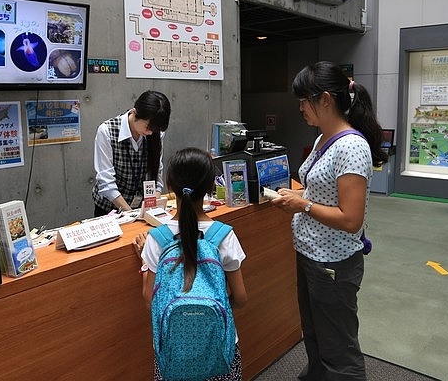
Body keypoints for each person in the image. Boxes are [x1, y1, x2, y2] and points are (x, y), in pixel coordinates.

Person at [270, 61, 388, 381]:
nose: (300, 109)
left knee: (339, 346)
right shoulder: (325, 138)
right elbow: (318, 189)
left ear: (324, 99)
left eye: (303, 101)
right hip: (312, 253)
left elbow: (351, 219)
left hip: (333, 261)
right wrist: (296, 195)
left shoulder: (351, 146)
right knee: (315, 331)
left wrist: (303, 204)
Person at [133, 147, 248, 381]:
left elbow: (149, 299)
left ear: (170, 187)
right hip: (219, 347)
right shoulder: (224, 235)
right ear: (209, 188)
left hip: (173, 351)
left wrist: (144, 264)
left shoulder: (156, 239)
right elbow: (241, 298)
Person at [92, 90, 171, 217]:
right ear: (135, 113)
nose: (151, 133)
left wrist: (151, 210)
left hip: (140, 209)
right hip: (110, 209)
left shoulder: (156, 133)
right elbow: (106, 183)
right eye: (148, 127)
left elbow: (156, 174)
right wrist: (131, 215)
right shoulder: (107, 131)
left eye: (154, 129)